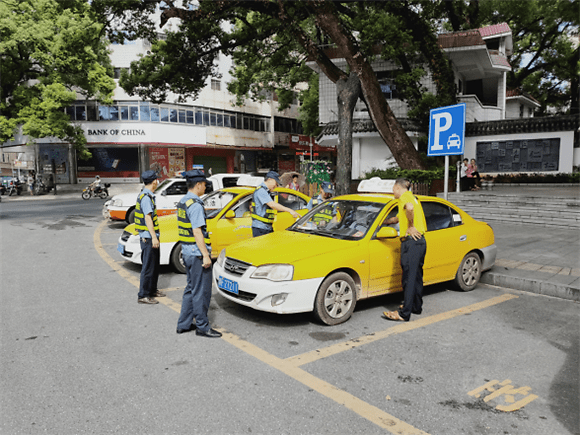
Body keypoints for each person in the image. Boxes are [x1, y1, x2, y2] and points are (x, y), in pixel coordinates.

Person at [176, 169, 221, 338]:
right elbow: (197, 232)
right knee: (201, 291)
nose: (205, 187)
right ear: (198, 185)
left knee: (190, 289)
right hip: (196, 254)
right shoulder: (195, 204)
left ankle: (184, 323)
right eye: (204, 184)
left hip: (187, 252)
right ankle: (202, 326)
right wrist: (206, 255)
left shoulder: (183, 201)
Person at [382, 178, 427, 322]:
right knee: (417, 277)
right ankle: (416, 306)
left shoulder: (404, 197)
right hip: (420, 242)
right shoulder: (412, 197)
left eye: (393, 188)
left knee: (408, 279)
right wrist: (385, 221)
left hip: (411, 242)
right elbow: (398, 218)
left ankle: (404, 314)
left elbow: (409, 209)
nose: (392, 191)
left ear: (397, 187)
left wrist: (411, 226)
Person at [135, 170, 165, 304]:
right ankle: (143, 295)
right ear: (154, 182)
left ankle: (152, 290)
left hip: (149, 236)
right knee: (148, 267)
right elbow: (148, 218)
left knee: (154, 265)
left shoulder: (146, 195)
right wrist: (154, 237)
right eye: (157, 180)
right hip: (148, 237)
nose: (158, 181)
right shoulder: (146, 197)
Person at [251, 171, 300, 237]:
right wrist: (290, 210)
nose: (276, 186)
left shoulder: (267, 192)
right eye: (276, 183)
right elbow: (272, 205)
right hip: (260, 228)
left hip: (266, 227)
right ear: (269, 180)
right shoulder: (261, 191)